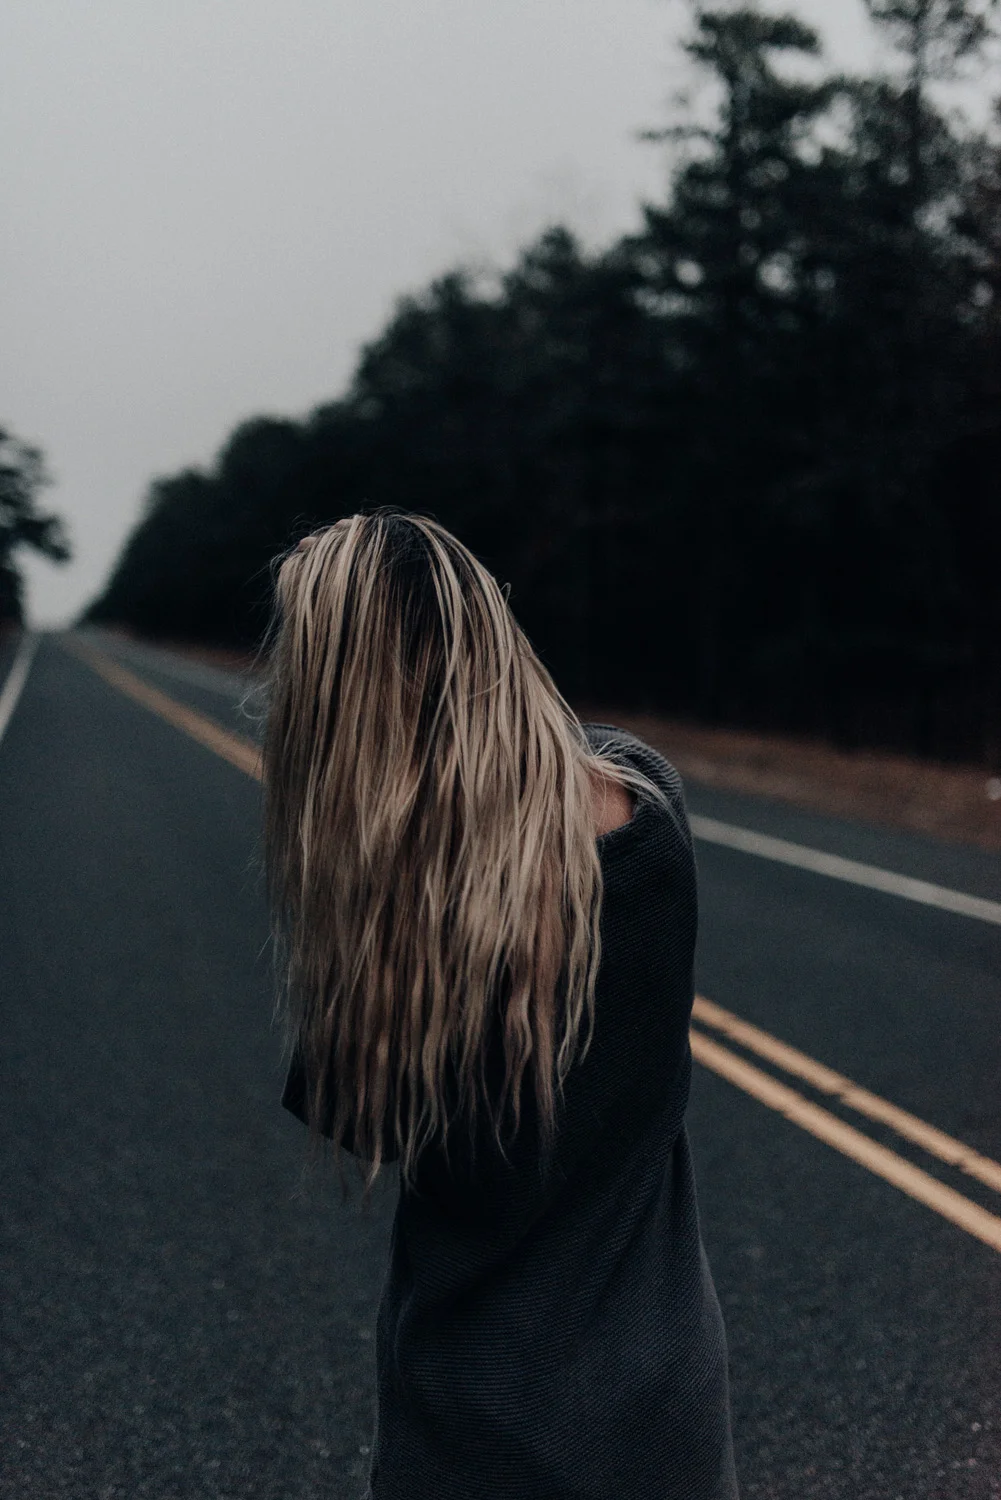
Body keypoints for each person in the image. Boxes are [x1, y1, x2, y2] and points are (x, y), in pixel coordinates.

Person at [263, 509, 739, 1500]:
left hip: (479, 1416)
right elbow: (565, 752)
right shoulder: (649, 809)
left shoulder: (400, 915)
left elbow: (353, 1120)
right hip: (665, 1399)